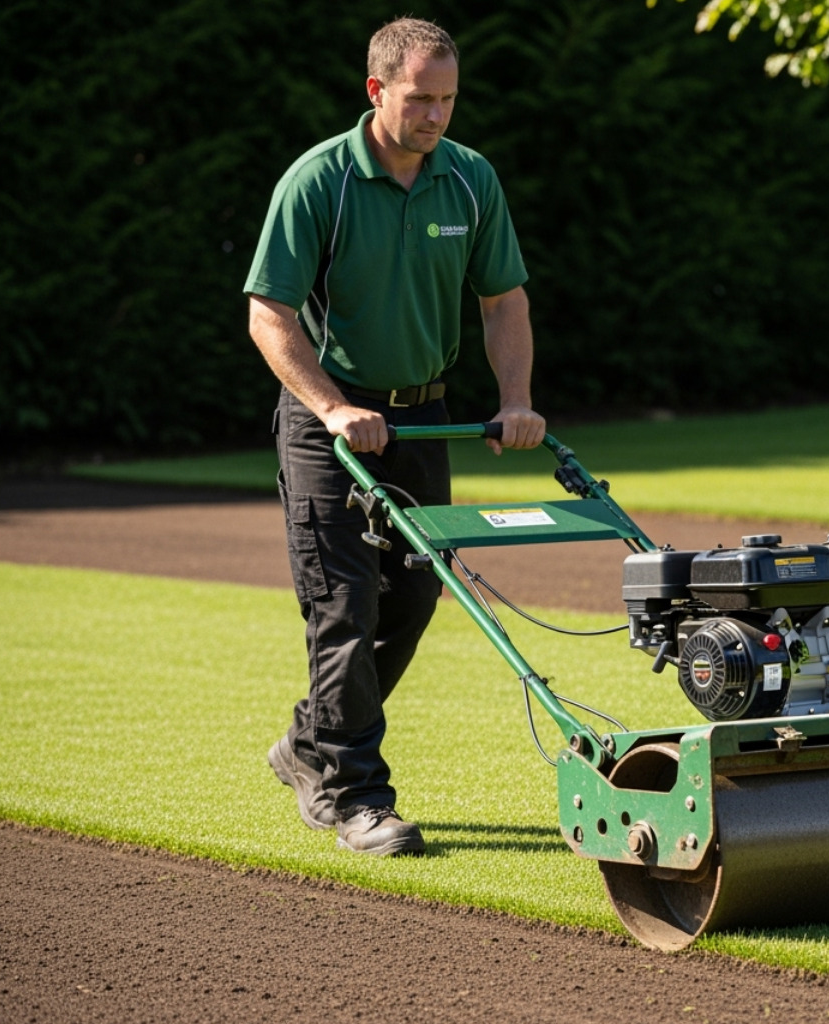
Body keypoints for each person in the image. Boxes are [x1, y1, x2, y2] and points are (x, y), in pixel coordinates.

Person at [243, 17, 545, 856]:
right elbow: (268, 315)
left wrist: (515, 399)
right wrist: (335, 406)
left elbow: (503, 302)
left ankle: (311, 740)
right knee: (345, 603)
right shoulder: (319, 181)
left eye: (447, 99)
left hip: (422, 417)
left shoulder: (470, 180)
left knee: (412, 599)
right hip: (330, 425)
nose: (436, 116)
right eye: (420, 99)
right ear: (377, 92)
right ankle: (351, 796)